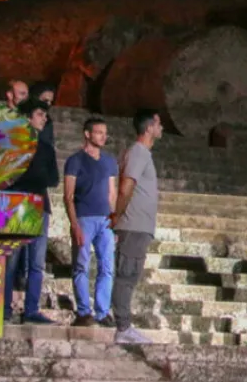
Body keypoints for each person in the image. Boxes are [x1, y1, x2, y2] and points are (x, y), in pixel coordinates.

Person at [109, 110, 162, 344]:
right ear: (149, 127)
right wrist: (117, 216)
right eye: (158, 123)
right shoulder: (138, 153)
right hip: (132, 225)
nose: (161, 127)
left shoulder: (143, 154)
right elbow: (126, 186)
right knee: (126, 274)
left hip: (140, 227)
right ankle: (123, 327)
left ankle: (124, 326)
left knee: (130, 275)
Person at [4, 100, 59, 324]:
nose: (43, 118)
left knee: (37, 262)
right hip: (18, 204)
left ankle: (31, 309)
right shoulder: (14, 144)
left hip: (40, 205)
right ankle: (4, 307)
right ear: (27, 117)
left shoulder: (46, 147)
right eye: (39, 114)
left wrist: (32, 177)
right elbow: (8, 175)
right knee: (11, 259)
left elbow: (53, 179)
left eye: (45, 115)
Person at [64, 117, 117, 327]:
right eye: (99, 132)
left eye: (105, 133)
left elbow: (112, 193)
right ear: (87, 134)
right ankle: (83, 311)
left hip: (105, 220)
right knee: (81, 265)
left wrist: (115, 219)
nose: (103, 136)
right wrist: (74, 223)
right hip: (84, 218)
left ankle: (102, 312)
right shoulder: (75, 161)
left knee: (107, 266)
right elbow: (68, 195)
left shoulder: (110, 161)